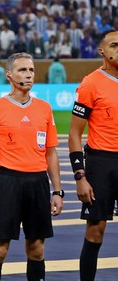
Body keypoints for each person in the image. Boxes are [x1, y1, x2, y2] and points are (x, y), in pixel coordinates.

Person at [0, 53, 63, 281]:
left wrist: (57, 191)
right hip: (8, 182)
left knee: (37, 249)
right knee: (0, 249)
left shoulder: (44, 108)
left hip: (38, 182)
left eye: (31, 70)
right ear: (9, 75)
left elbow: (51, 153)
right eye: (22, 70)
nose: (28, 75)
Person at [70, 29, 118, 281]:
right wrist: (80, 176)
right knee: (95, 232)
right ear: (102, 50)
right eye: (114, 45)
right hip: (101, 162)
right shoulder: (90, 83)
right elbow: (74, 134)